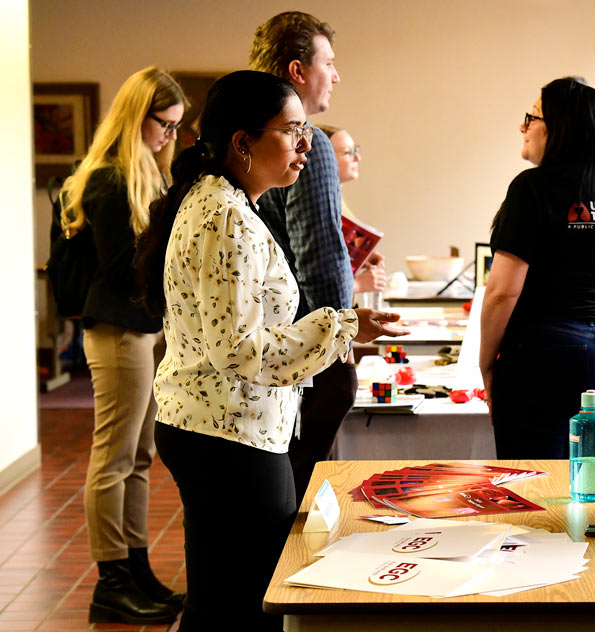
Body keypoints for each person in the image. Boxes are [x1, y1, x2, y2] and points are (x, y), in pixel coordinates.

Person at [134, 70, 407, 631]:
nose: (306, 145)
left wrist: (343, 326)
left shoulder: (231, 202)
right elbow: (241, 350)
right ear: (242, 142)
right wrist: (340, 328)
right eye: (291, 131)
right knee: (242, 603)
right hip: (226, 434)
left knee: (226, 595)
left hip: (228, 427)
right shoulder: (224, 216)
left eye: (306, 130)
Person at [57, 66, 187, 625]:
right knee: (112, 457)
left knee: (139, 456)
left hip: (144, 329)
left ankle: (137, 569)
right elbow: (120, 269)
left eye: (178, 127)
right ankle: (111, 579)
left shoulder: (145, 175)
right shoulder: (110, 179)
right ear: (138, 116)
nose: (170, 137)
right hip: (117, 330)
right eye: (165, 124)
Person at [480, 78, 595, 459]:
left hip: (544, 350)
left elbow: (503, 291)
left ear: (560, 128)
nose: (523, 127)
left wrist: (486, 362)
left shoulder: (531, 188)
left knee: (535, 478)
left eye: (532, 116)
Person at [249, 12, 360, 505]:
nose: (335, 76)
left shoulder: (246, 137)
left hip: (255, 341)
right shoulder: (304, 142)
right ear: (297, 71)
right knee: (295, 498)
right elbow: (320, 253)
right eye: (328, 64)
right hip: (299, 343)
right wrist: (342, 336)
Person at [319, 124, 387, 296]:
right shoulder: (319, 203)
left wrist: (362, 258)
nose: (357, 157)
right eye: (348, 152)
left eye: (356, 149)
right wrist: (357, 285)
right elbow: (316, 273)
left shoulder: (336, 195)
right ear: (324, 157)